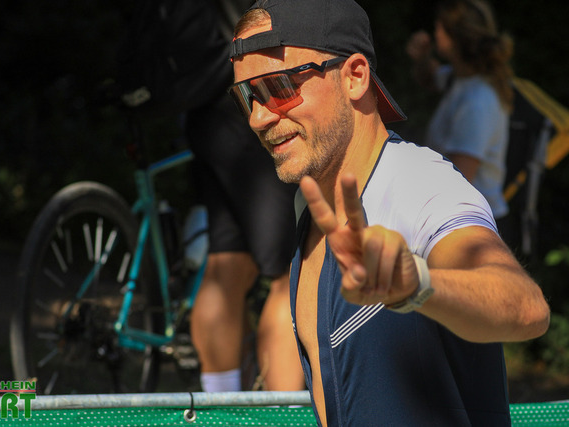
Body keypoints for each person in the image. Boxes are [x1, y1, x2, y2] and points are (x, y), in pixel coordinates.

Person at [228, 0, 550, 425]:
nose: (258, 117)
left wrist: (416, 285)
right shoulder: (309, 202)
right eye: (247, 95)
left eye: (280, 86)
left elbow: (526, 308)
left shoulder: (418, 182)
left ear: (355, 77)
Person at [117, 0, 305, 392]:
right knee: (290, 276)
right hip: (248, 104)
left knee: (227, 266)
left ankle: (220, 407)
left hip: (205, 112)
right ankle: (280, 414)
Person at [406, 0, 515, 238]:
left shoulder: (477, 102)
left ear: (455, 38)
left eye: (439, 28)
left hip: (473, 229)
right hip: (460, 218)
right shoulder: (460, 80)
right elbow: (431, 77)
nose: (435, 33)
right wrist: (422, 58)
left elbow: (458, 180)